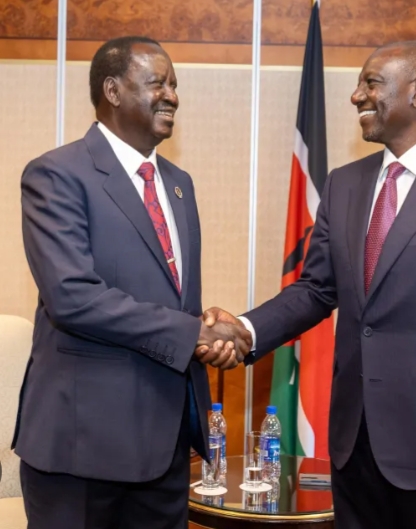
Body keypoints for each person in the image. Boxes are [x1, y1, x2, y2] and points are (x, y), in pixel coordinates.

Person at [200, 41, 416, 529]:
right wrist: (244, 329)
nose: (356, 95)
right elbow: (316, 290)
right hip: (353, 448)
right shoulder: (344, 184)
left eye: (371, 83)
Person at [13, 36, 251, 529]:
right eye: (157, 83)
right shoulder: (57, 175)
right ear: (113, 90)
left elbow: (171, 299)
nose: (172, 96)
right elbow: (72, 298)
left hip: (165, 444)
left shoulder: (179, 184)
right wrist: (193, 332)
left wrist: (204, 330)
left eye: (175, 85)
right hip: (82, 447)